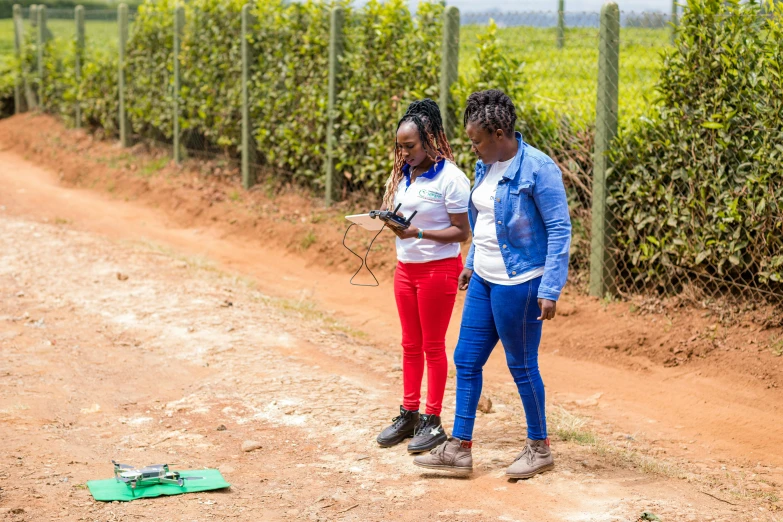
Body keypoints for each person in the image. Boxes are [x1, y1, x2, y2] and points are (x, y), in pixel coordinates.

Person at [414, 89, 572, 478]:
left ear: (500, 133)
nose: (473, 148)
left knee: (521, 365)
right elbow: (485, 220)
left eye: (477, 140)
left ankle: (539, 447)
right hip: (484, 278)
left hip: (520, 283)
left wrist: (550, 288)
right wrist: (470, 263)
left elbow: (559, 228)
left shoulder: (538, 168)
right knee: (466, 359)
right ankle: (459, 448)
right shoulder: (487, 165)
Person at [376, 99, 471, 454]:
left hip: (437, 271)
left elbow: (462, 232)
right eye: (399, 147)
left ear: (430, 139)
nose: (403, 153)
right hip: (406, 270)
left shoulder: (452, 180)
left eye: (410, 146)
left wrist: (418, 234)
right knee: (409, 344)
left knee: (433, 345)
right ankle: (409, 413)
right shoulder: (402, 176)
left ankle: (433, 420)